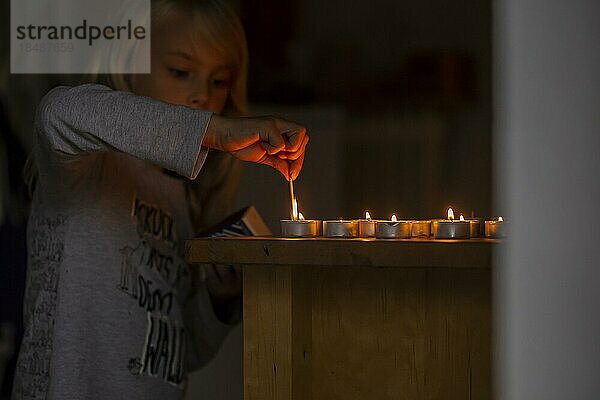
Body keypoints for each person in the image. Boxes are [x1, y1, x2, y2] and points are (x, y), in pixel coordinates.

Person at [11, 0, 309, 399]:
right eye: (180, 71)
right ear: (127, 60)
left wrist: (219, 301)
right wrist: (214, 132)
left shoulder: (183, 198)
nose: (201, 95)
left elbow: (175, 351)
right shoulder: (85, 166)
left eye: (219, 81)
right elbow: (58, 112)